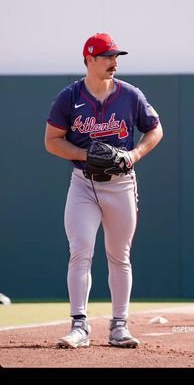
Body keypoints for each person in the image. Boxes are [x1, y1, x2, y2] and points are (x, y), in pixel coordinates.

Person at [44, 32, 163, 349]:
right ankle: (79, 326)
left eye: (116, 56)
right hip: (83, 183)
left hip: (121, 184)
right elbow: (51, 141)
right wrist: (85, 154)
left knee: (119, 255)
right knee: (80, 249)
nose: (114, 62)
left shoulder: (130, 95)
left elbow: (155, 129)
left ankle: (119, 326)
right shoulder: (69, 97)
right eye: (108, 56)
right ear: (90, 59)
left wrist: (134, 155)